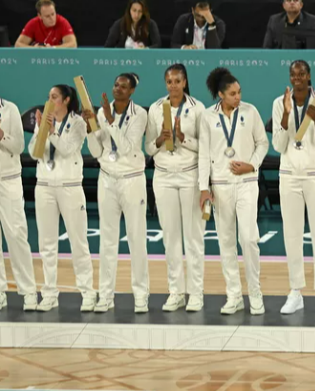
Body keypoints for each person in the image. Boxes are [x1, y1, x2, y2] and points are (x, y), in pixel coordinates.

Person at [198, 68, 269, 315]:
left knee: (249, 239)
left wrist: (253, 164)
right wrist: (203, 188)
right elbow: (204, 154)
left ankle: (256, 293)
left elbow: (263, 143)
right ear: (220, 94)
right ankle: (234, 295)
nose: (238, 97)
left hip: (247, 183)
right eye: (232, 94)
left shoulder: (250, 112)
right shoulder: (207, 117)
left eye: (239, 92)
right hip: (220, 186)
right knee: (226, 242)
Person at [271, 60, 315, 316]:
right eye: (293, 74)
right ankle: (295, 291)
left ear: (309, 76)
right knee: (292, 235)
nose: (297, 78)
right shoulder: (279, 103)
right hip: (289, 175)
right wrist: (287, 114)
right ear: (289, 77)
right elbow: (278, 145)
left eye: (302, 74)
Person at [82, 73, 150, 313]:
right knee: (107, 239)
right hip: (107, 179)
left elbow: (128, 148)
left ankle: (141, 295)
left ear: (132, 92)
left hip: (132, 179)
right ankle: (106, 296)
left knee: (136, 238)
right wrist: (90, 129)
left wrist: (110, 121)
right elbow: (96, 151)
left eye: (124, 86)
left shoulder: (140, 114)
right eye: (116, 85)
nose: (118, 89)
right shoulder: (101, 112)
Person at [28, 85, 95, 312]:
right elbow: (34, 152)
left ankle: (87, 292)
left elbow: (67, 149)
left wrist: (51, 131)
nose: (50, 100)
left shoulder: (77, 123)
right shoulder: (44, 121)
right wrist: (41, 130)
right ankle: (49, 294)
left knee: (78, 242)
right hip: (44, 185)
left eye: (54, 97)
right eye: (48, 97)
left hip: (70, 186)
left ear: (66, 100)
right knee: (46, 244)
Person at [146, 64, 206, 312]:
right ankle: (176, 292)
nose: (173, 85)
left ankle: (196, 293)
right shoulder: (155, 108)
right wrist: (161, 138)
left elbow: (206, 147)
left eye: (177, 81)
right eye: (169, 81)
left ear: (185, 82)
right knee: (170, 238)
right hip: (163, 177)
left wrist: (183, 138)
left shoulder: (198, 108)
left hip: (189, 176)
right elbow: (149, 148)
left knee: (193, 238)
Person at [0, 97, 39, 312]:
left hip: (9, 180)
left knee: (16, 236)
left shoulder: (10, 109)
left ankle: (28, 292)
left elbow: (19, 146)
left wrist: (2, 135)